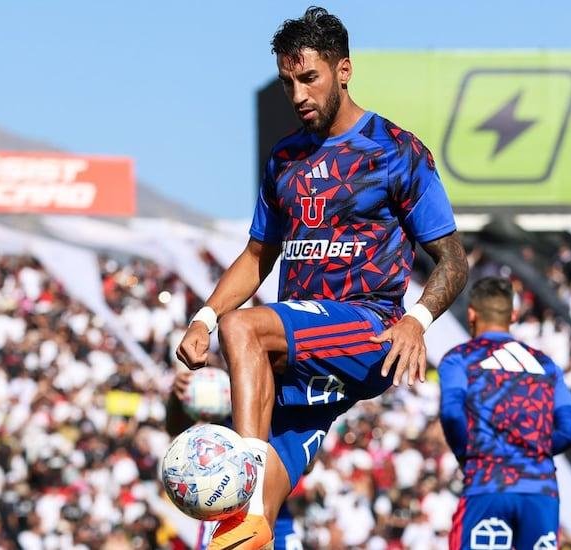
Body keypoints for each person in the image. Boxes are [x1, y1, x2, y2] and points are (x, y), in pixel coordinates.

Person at [175, 7, 469, 548]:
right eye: (288, 82)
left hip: (368, 329)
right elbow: (258, 255)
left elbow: (453, 258)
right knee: (239, 532)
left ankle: (245, 483)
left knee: (242, 328)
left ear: (344, 70)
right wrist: (203, 316)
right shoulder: (284, 159)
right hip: (299, 355)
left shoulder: (395, 150)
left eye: (309, 77)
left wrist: (417, 320)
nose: (298, 94)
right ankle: (248, 513)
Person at [437, 277, 571, 550]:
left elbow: (452, 414)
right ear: (513, 315)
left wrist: (469, 454)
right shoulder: (546, 365)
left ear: (471, 314)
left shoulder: (460, 358)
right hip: (540, 490)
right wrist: (530, 449)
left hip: (487, 482)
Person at [168, 367, 301, 550]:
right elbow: (173, 429)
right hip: (224, 510)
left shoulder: (292, 394)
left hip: (276, 515)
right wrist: (177, 399)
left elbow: (309, 464)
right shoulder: (229, 397)